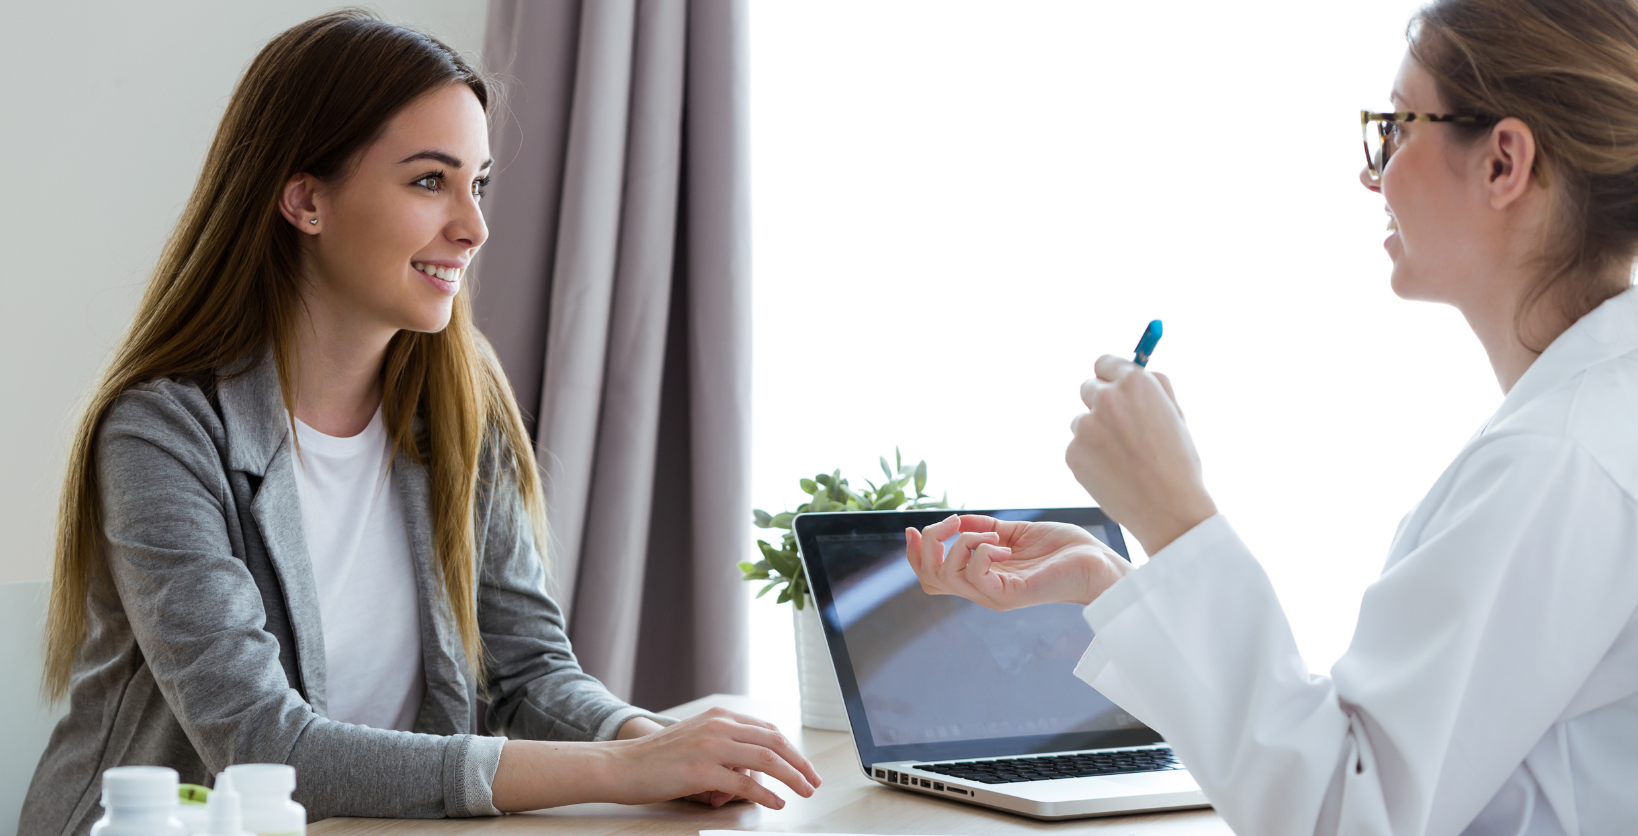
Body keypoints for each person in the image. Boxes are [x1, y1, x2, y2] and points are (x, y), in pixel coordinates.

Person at [22, 11, 817, 836]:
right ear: (305, 199)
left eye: (476, 182)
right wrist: (619, 769)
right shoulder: (163, 435)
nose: (473, 228)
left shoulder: (460, 405)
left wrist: (656, 741)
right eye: (429, 181)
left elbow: (529, 673)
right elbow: (263, 747)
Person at [906, 0, 1638, 833]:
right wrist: (1122, 587)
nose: (1373, 174)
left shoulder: (1560, 460)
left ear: (1503, 162)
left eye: (1396, 128)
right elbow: (1379, 759)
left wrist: (1175, 516)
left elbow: (1345, 812)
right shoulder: (1591, 419)